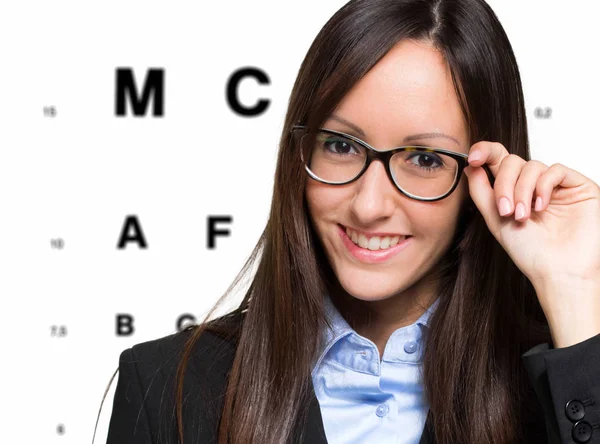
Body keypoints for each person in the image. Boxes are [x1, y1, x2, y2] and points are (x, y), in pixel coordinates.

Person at [103, 0, 600, 443]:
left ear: (482, 177)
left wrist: (575, 290)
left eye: (424, 158)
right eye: (340, 146)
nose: (368, 206)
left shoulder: (563, 392)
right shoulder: (165, 386)